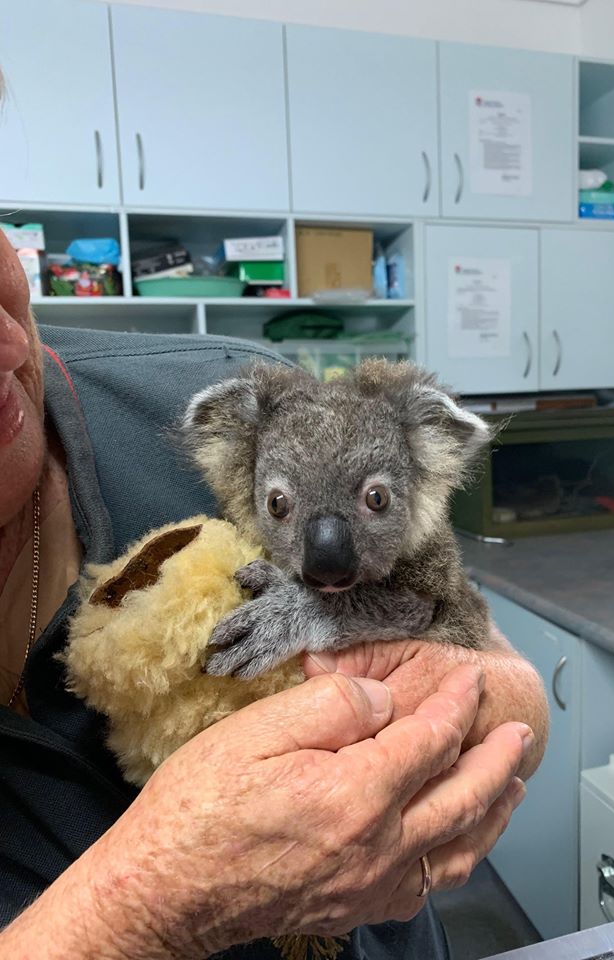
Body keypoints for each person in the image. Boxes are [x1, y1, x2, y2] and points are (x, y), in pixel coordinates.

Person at [0, 212, 548, 959]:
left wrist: (500, 708)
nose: (6, 345)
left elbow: (493, 666)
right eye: (281, 507)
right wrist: (143, 908)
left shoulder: (224, 381)